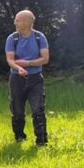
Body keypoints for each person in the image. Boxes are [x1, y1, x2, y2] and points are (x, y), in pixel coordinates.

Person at [5, 9, 50, 146]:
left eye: (18, 20)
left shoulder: (39, 37)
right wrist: (19, 68)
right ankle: (20, 138)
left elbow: (45, 59)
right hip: (17, 79)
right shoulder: (12, 38)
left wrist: (28, 64)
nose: (15, 23)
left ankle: (42, 141)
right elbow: (10, 59)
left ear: (27, 22)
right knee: (17, 111)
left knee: (38, 110)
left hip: (36, 78)